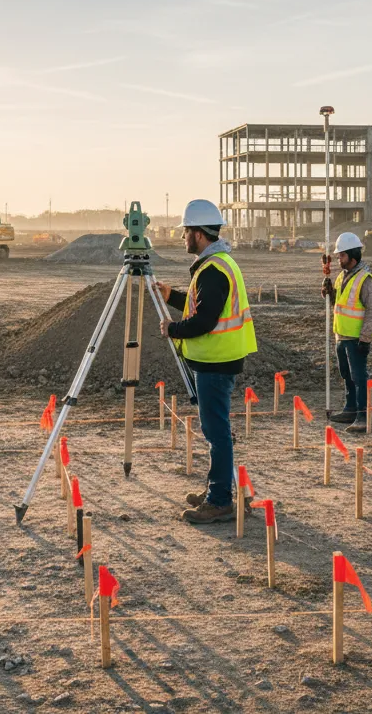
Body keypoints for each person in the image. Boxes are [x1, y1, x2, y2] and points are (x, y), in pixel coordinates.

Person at [155, 199, 257, 524]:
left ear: (199, 234)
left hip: (216, 361)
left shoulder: (214, 270)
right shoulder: (217, 265)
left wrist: (172, 329)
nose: (183, 237)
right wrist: (172, 296)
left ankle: (220, 500)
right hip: (218, 359)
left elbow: (205, 321)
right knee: (217, 430)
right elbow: (200, 308)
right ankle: (219, 489)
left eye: (186, 232)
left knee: (216, 431)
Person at [321, 232, 372, 429]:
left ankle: (362, 416)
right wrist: (328, 292)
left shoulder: (365, 279)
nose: (338, 258)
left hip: (356, 338)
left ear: (352, 257)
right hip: (341, 335)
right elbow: (338, 301)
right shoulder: (342, 276)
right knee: (346, 374)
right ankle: (350, 409)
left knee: (358, 376)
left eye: (342, 255)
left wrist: (365, 338)